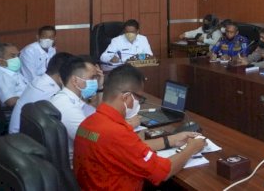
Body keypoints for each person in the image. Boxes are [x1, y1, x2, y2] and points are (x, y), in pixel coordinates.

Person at [73, 64, 206, 190]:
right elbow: (164, 172)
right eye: (139, 99)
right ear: (126, 97)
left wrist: (172, 139)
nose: (139, 103)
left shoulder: (89, 123)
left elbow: (130, 149)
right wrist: (192, 148)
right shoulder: (116, 133)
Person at [51, 56, 104, 163]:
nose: (95, 81)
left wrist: (100, 87)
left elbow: (99, 115)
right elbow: (93, 139)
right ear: (75, 80)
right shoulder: (66, 106)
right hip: (78, 166)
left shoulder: (73, 99)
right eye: (92, 77)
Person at [9, 52, 72, 134]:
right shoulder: (50, 91)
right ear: (62, 74)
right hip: (24, 140)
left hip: (21, 135)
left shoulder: (40, 80)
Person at [0, 43, 28, 107]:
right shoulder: (1, 75)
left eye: (18, 55)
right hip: (18, 111)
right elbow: (11, 101)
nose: (17, 59)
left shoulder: (11, 70)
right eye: (13, 56)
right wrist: (33, 97)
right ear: (0, 61)